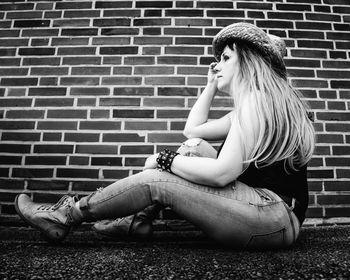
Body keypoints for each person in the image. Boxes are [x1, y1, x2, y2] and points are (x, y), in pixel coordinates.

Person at [15, 22, 315, 248]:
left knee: (155, 179)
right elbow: (193, 130)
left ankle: (65, 215)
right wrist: (211, 85)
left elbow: (223, 174)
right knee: (194, 147)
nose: (217, 64)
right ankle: (136, 221)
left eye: (225, 58)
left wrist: (163, 160)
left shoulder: (255, 103)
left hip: (273, 217)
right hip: (272, 214)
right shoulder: (263, 104)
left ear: (248, 61)